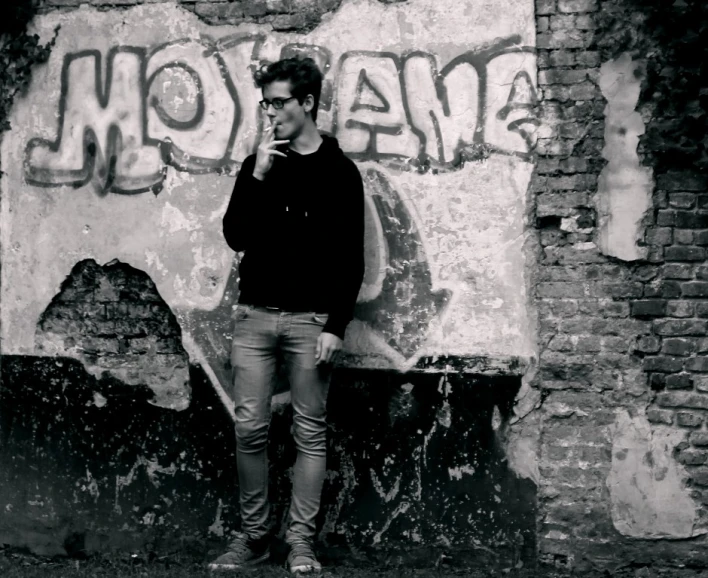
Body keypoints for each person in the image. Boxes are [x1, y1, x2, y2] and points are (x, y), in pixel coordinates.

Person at [209, 56, 365, 575]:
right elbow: (235, 235)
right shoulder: (261, 165)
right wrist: (255, 175)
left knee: (309, 432)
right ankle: (254, 538)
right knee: (248, 428)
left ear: (307, 104)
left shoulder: (340, 173)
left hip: (310, 323)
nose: (271, 112)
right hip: (254, 318)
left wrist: (336, 327)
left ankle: (300, 542)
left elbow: (351, 258)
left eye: (280, 102)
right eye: (267, 102)